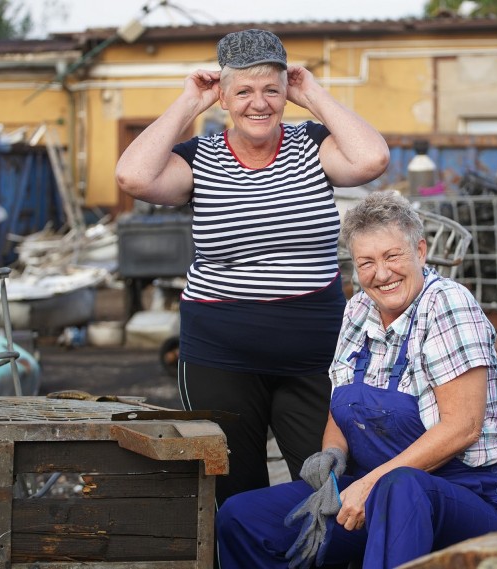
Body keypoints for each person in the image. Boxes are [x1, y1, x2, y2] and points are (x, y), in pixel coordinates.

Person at [114, 28, 390, 507]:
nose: (258, 103)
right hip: (220, 358)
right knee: (231, 492)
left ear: (287, 93)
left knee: (328, 486)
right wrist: (187, 103)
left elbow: (372, 158)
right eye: (242, 91)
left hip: (314, 357)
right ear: (223, 97)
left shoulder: (313, 145)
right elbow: (132, 176)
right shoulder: (201, 158)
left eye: (271, 89)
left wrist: (313, 93)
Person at [216, 190, 497, 569]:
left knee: (401, 488)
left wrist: (368, 484)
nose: (381, 274)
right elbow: (342, 404)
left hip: (473, 496)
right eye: (366, 262)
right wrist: (334, 454)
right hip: (380, 492)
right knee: (242, 516)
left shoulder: (447, 304)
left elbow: (463, 427)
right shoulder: (359, 309)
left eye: (392, 256)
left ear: (421, 251)